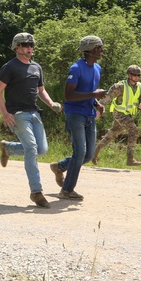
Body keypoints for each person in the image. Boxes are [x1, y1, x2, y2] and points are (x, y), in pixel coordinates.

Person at [0, 32, 64, 208]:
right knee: (32, 148)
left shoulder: (36, 68)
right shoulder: (10, 67)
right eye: (25, 45)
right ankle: (36, 192)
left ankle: (8, 148)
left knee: (41, 149)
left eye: (31, 45)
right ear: (16, 47)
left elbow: (41, 90)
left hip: (34, 113)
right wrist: (5, 114)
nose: (29, 48)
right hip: (17, 114)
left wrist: (50, 103)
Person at [48, 36, 107, 200]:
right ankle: (66, 190)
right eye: (99, 47)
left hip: (89, 113)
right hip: (75, 114)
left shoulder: (97, 68)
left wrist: (96, 103)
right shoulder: (76, 68)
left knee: (88, 155)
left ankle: (59, 167)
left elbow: (87, 91)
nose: (102, 50)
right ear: (91, 49)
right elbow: (69, 95)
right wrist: (94, 94)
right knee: (79, 152)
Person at [93, 64, 141, 166]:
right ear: (128, 75)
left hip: (128, 114)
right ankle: (130, 159)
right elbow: (107, 98)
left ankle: (94, 153)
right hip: (119, 113)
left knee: (112, 134)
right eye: (134, 75)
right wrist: (99, 109)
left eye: (138, 75)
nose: (136, 77)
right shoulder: (120, 86)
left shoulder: (140, 87)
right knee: (134, 130)